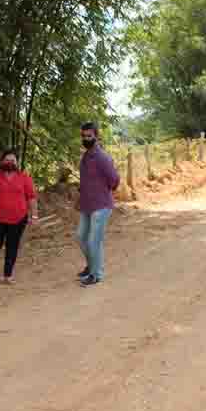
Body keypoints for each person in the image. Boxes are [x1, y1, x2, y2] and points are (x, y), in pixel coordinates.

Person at [0, 150, 38, 284]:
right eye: (7, 160)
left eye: (13, 160)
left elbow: (31, 198)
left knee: (12, 246)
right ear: (2, 162)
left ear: (17, 163)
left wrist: (34, 216)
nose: (10, 163)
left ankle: (8, 274)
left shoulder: (25, 178)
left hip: (19, 219)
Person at [76, 122, 120, 287]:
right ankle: (91, 266)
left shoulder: (102, 157)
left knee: (94, 240)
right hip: (86, 204)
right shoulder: (85, 157)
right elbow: (84, 181)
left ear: (96, 136)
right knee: (81, 237)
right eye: (84, 136)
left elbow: (114, 180)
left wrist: (103, 191)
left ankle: (96, 274)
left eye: (89, 136)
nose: (86, 139)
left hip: (101, 205)